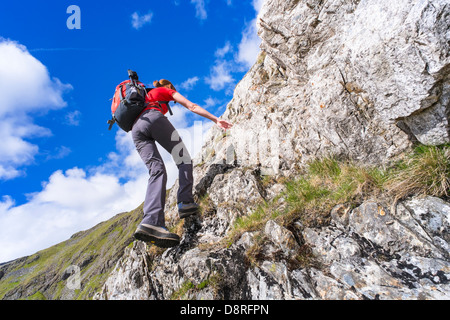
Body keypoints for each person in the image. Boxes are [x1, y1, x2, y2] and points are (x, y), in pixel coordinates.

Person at [132, 79, 233, 248]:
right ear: (170, 87)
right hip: (153, 117)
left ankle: (151, 221)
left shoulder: (145, 96)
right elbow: (191, 106)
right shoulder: (165, 91)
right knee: (183, 158)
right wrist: (216, 119)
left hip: (136, 129)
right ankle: (185, 202)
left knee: (156, 171)